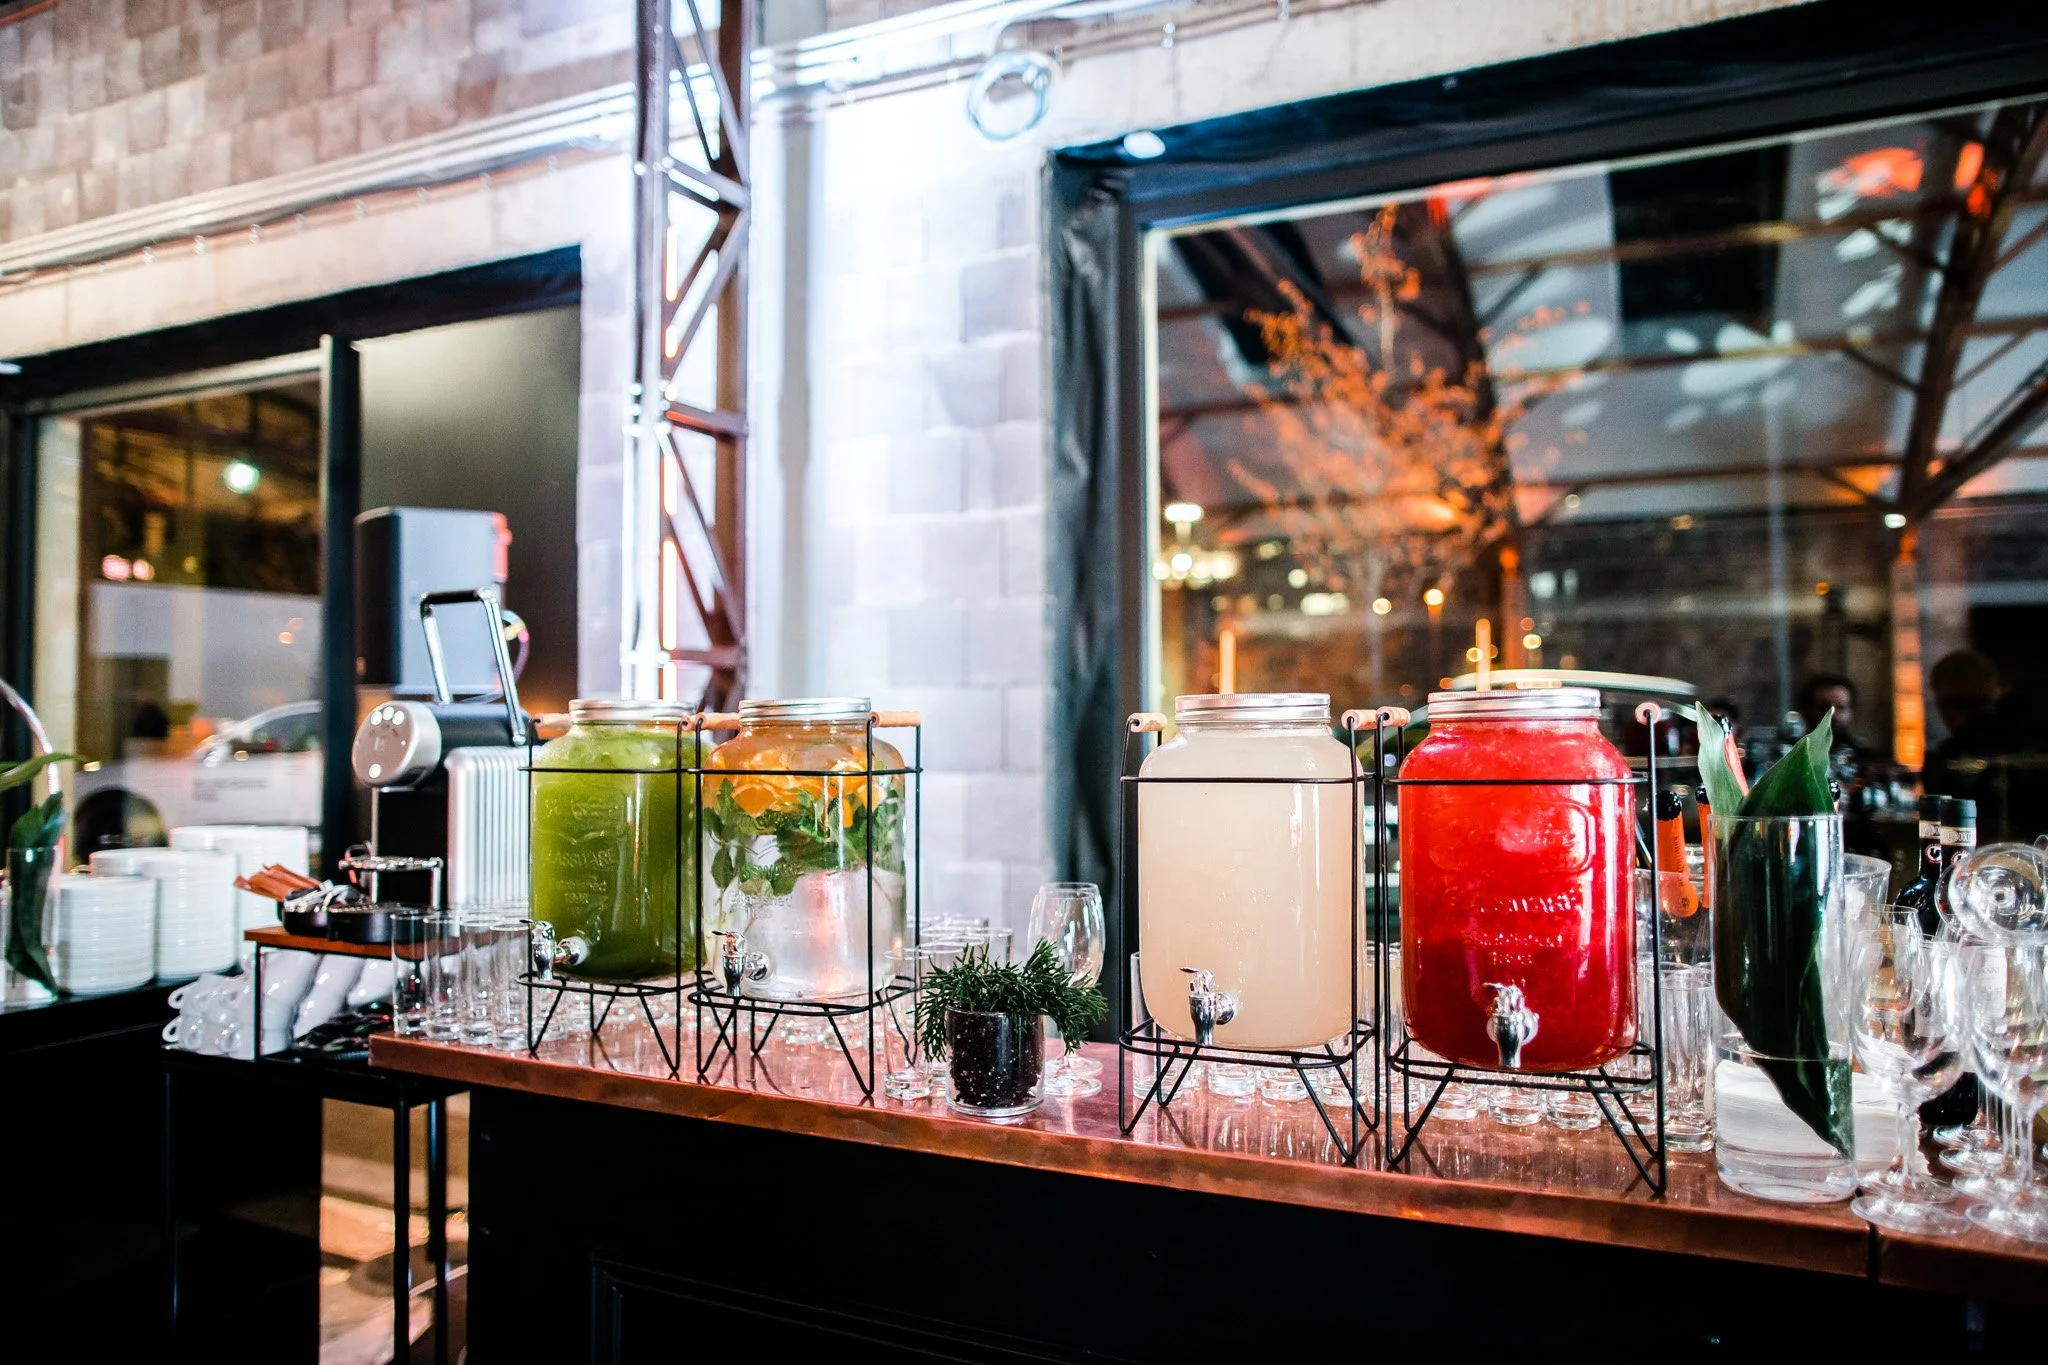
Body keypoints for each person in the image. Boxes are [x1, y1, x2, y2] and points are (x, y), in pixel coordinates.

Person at [1797, 673, 1874, 760]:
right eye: (1824, 708)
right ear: (1807, 711)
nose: (1834, 716)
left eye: (1841, 707)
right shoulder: (1793, 756)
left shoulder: (1866, 758)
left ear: (1851, 711)